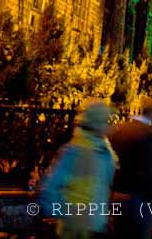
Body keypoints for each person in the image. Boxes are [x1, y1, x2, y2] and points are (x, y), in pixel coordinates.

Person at [41, 99, 117, 239]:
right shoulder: (74, 151)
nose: (109, 124)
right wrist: (69, 216)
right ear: (95, 124)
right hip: (75, 231)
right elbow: (49, 189)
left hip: (96, 227)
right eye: (105, 120)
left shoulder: (105, 151)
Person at [108, 96, 152, 239]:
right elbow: (149, 170)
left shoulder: (121, 129)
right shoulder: (148, 134)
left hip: (117, 193)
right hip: (138, 197)